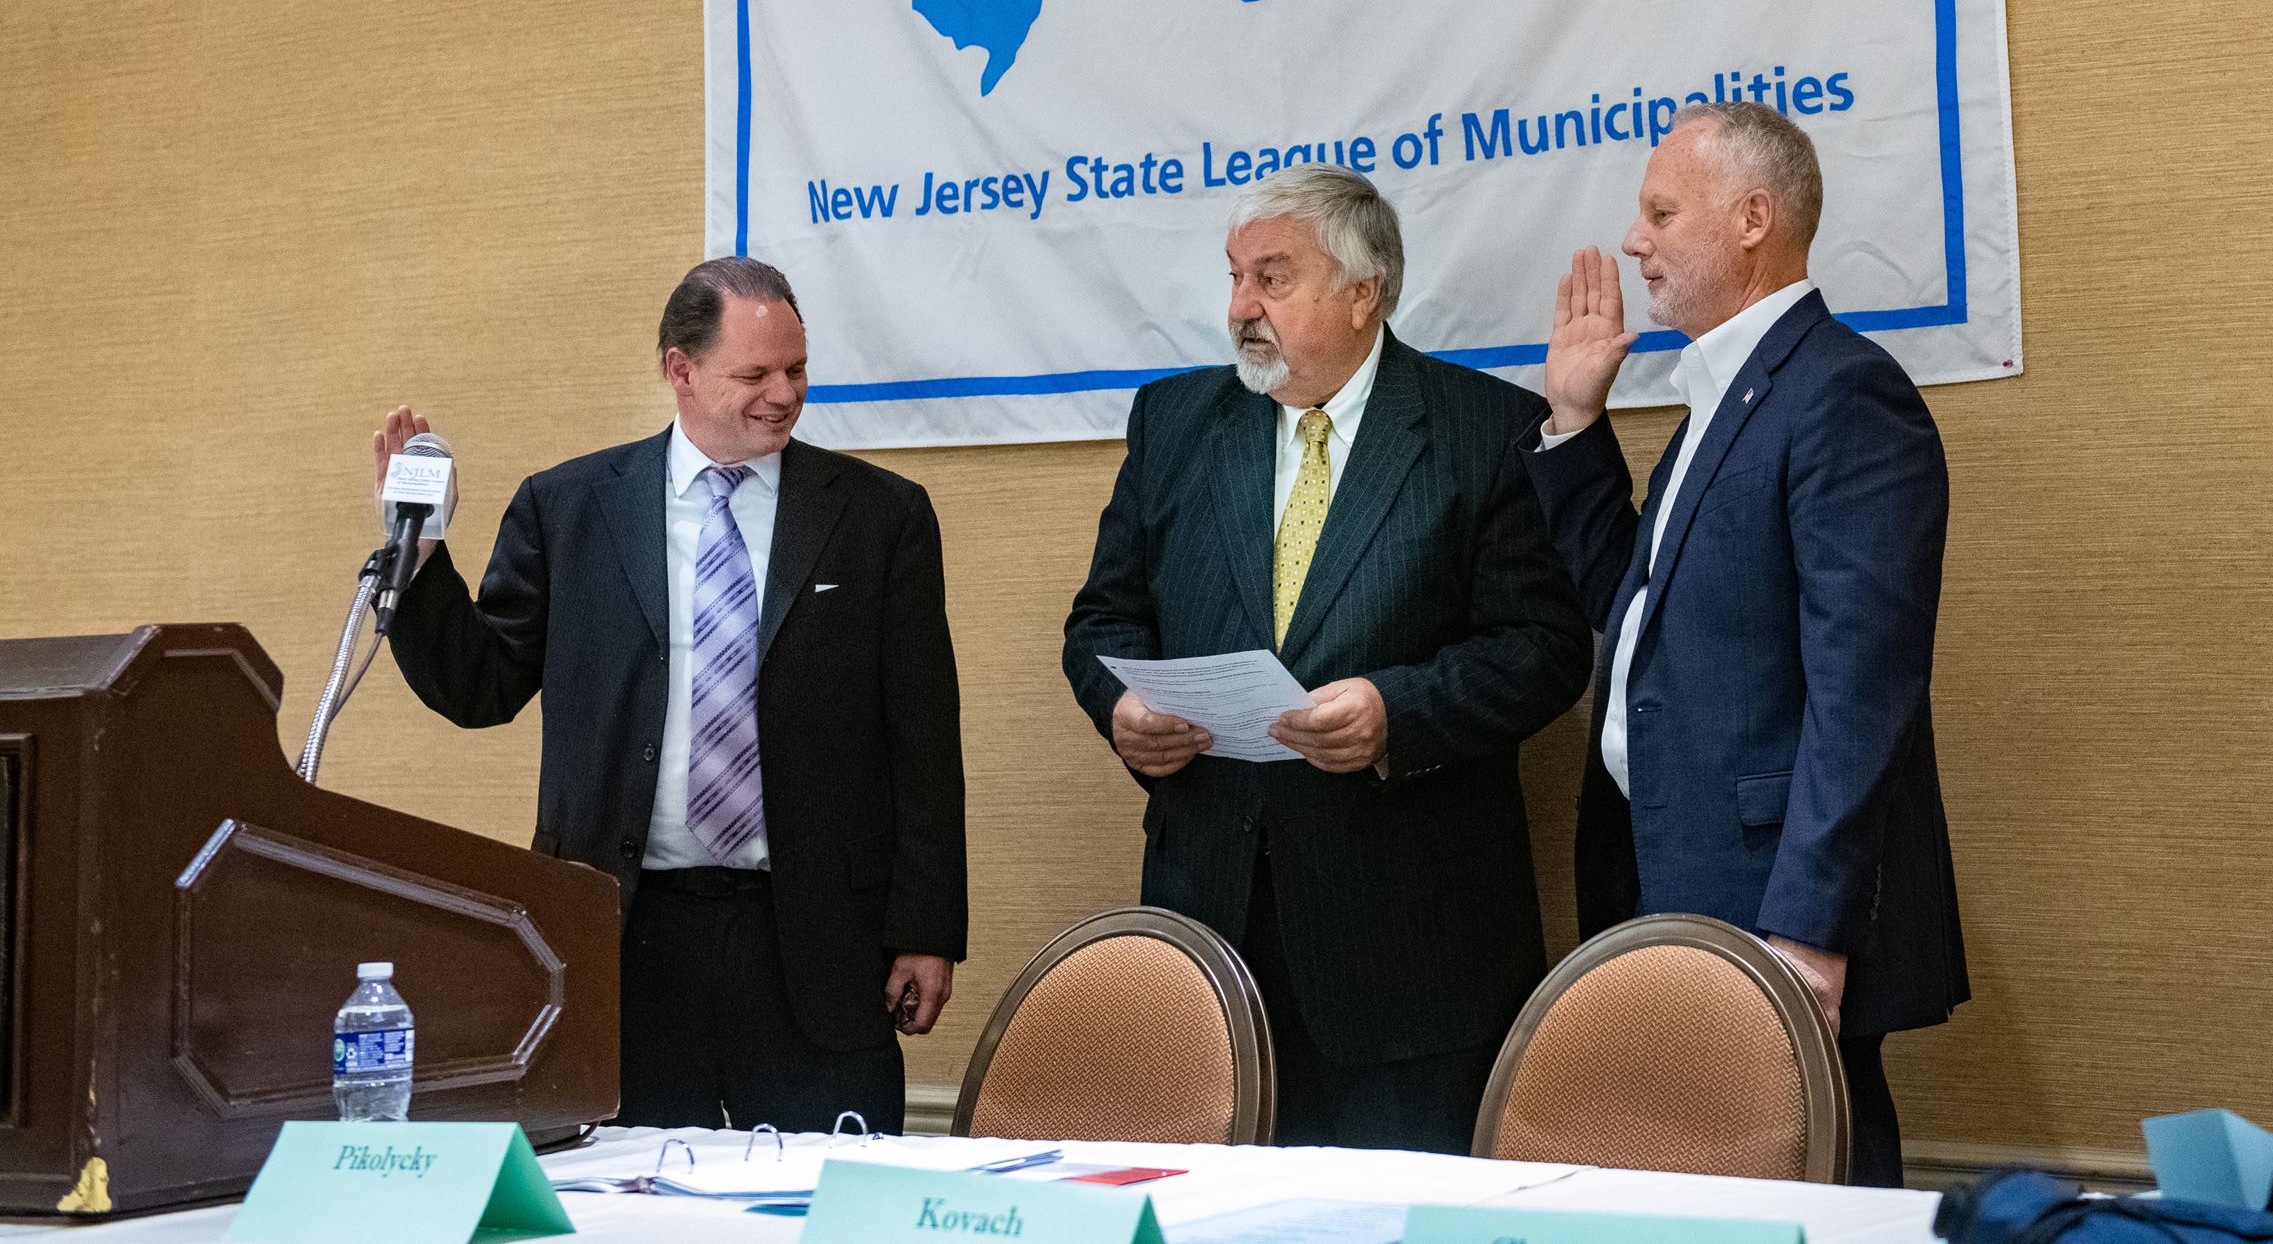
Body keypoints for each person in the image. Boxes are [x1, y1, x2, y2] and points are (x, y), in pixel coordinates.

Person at [1064, 165, 1592, 1155]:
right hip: (1212, 922)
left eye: (1271, 277)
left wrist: (1399, 712)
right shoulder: (1174, 423)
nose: (1239, 308)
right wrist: (1121, 710)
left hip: (1410, 944)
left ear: (1363, 293)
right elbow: (1101, 621)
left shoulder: (1482, 431)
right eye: (1233, 278)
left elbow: (1543, 648)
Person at [376, 256, 967, 1132]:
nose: (783, 395)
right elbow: (480, 684)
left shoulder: (881, 517)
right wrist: (418, 560)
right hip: (630, 935)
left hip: (812, 937)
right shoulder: (568, 509)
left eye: (797, 371)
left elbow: (923, 736)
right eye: (754, 374)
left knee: (831, 1201)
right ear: (679, 370)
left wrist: (927, 926)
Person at [1527, 102, 1966, 1187]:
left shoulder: (1843, 394)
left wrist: (1812, 926)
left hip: (1773, 905)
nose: (1635, 242)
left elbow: (1863, 687)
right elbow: (1641, 618)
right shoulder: (1722, 397)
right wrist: (1575, 424)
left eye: (1660, 212)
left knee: (1815, 1175)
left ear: (1751, 219)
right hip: (1668, 875)